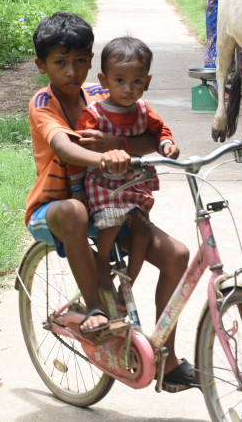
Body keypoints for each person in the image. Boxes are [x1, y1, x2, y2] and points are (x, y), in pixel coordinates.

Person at [26, 12, 197, 391]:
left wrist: (117, 144)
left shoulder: (104, 94)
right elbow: (64, 146)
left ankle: (165, 357)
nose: (72, 71)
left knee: (178, 256)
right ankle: (95, 309)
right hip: (54, 210)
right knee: (74, 210)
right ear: (42, 66)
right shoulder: (43, 102)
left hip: (108, 205)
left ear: (91, 61)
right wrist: (105, 157)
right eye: (60, 63)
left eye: (80, 61)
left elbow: (149, 135)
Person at [70, 37, 179, 309]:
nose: (129, 89)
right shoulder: (93, 114)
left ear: (147, 81)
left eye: (137, 82)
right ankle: (103, 263)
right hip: (103, 183)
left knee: (142, 231)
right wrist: (77, 187)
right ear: (104, 81)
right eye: (119, 80)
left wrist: (167, 143)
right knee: (112, 221)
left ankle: (126, 283)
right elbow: (77, 150)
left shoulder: (143, 111)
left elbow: (160, 131)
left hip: (133, 183)